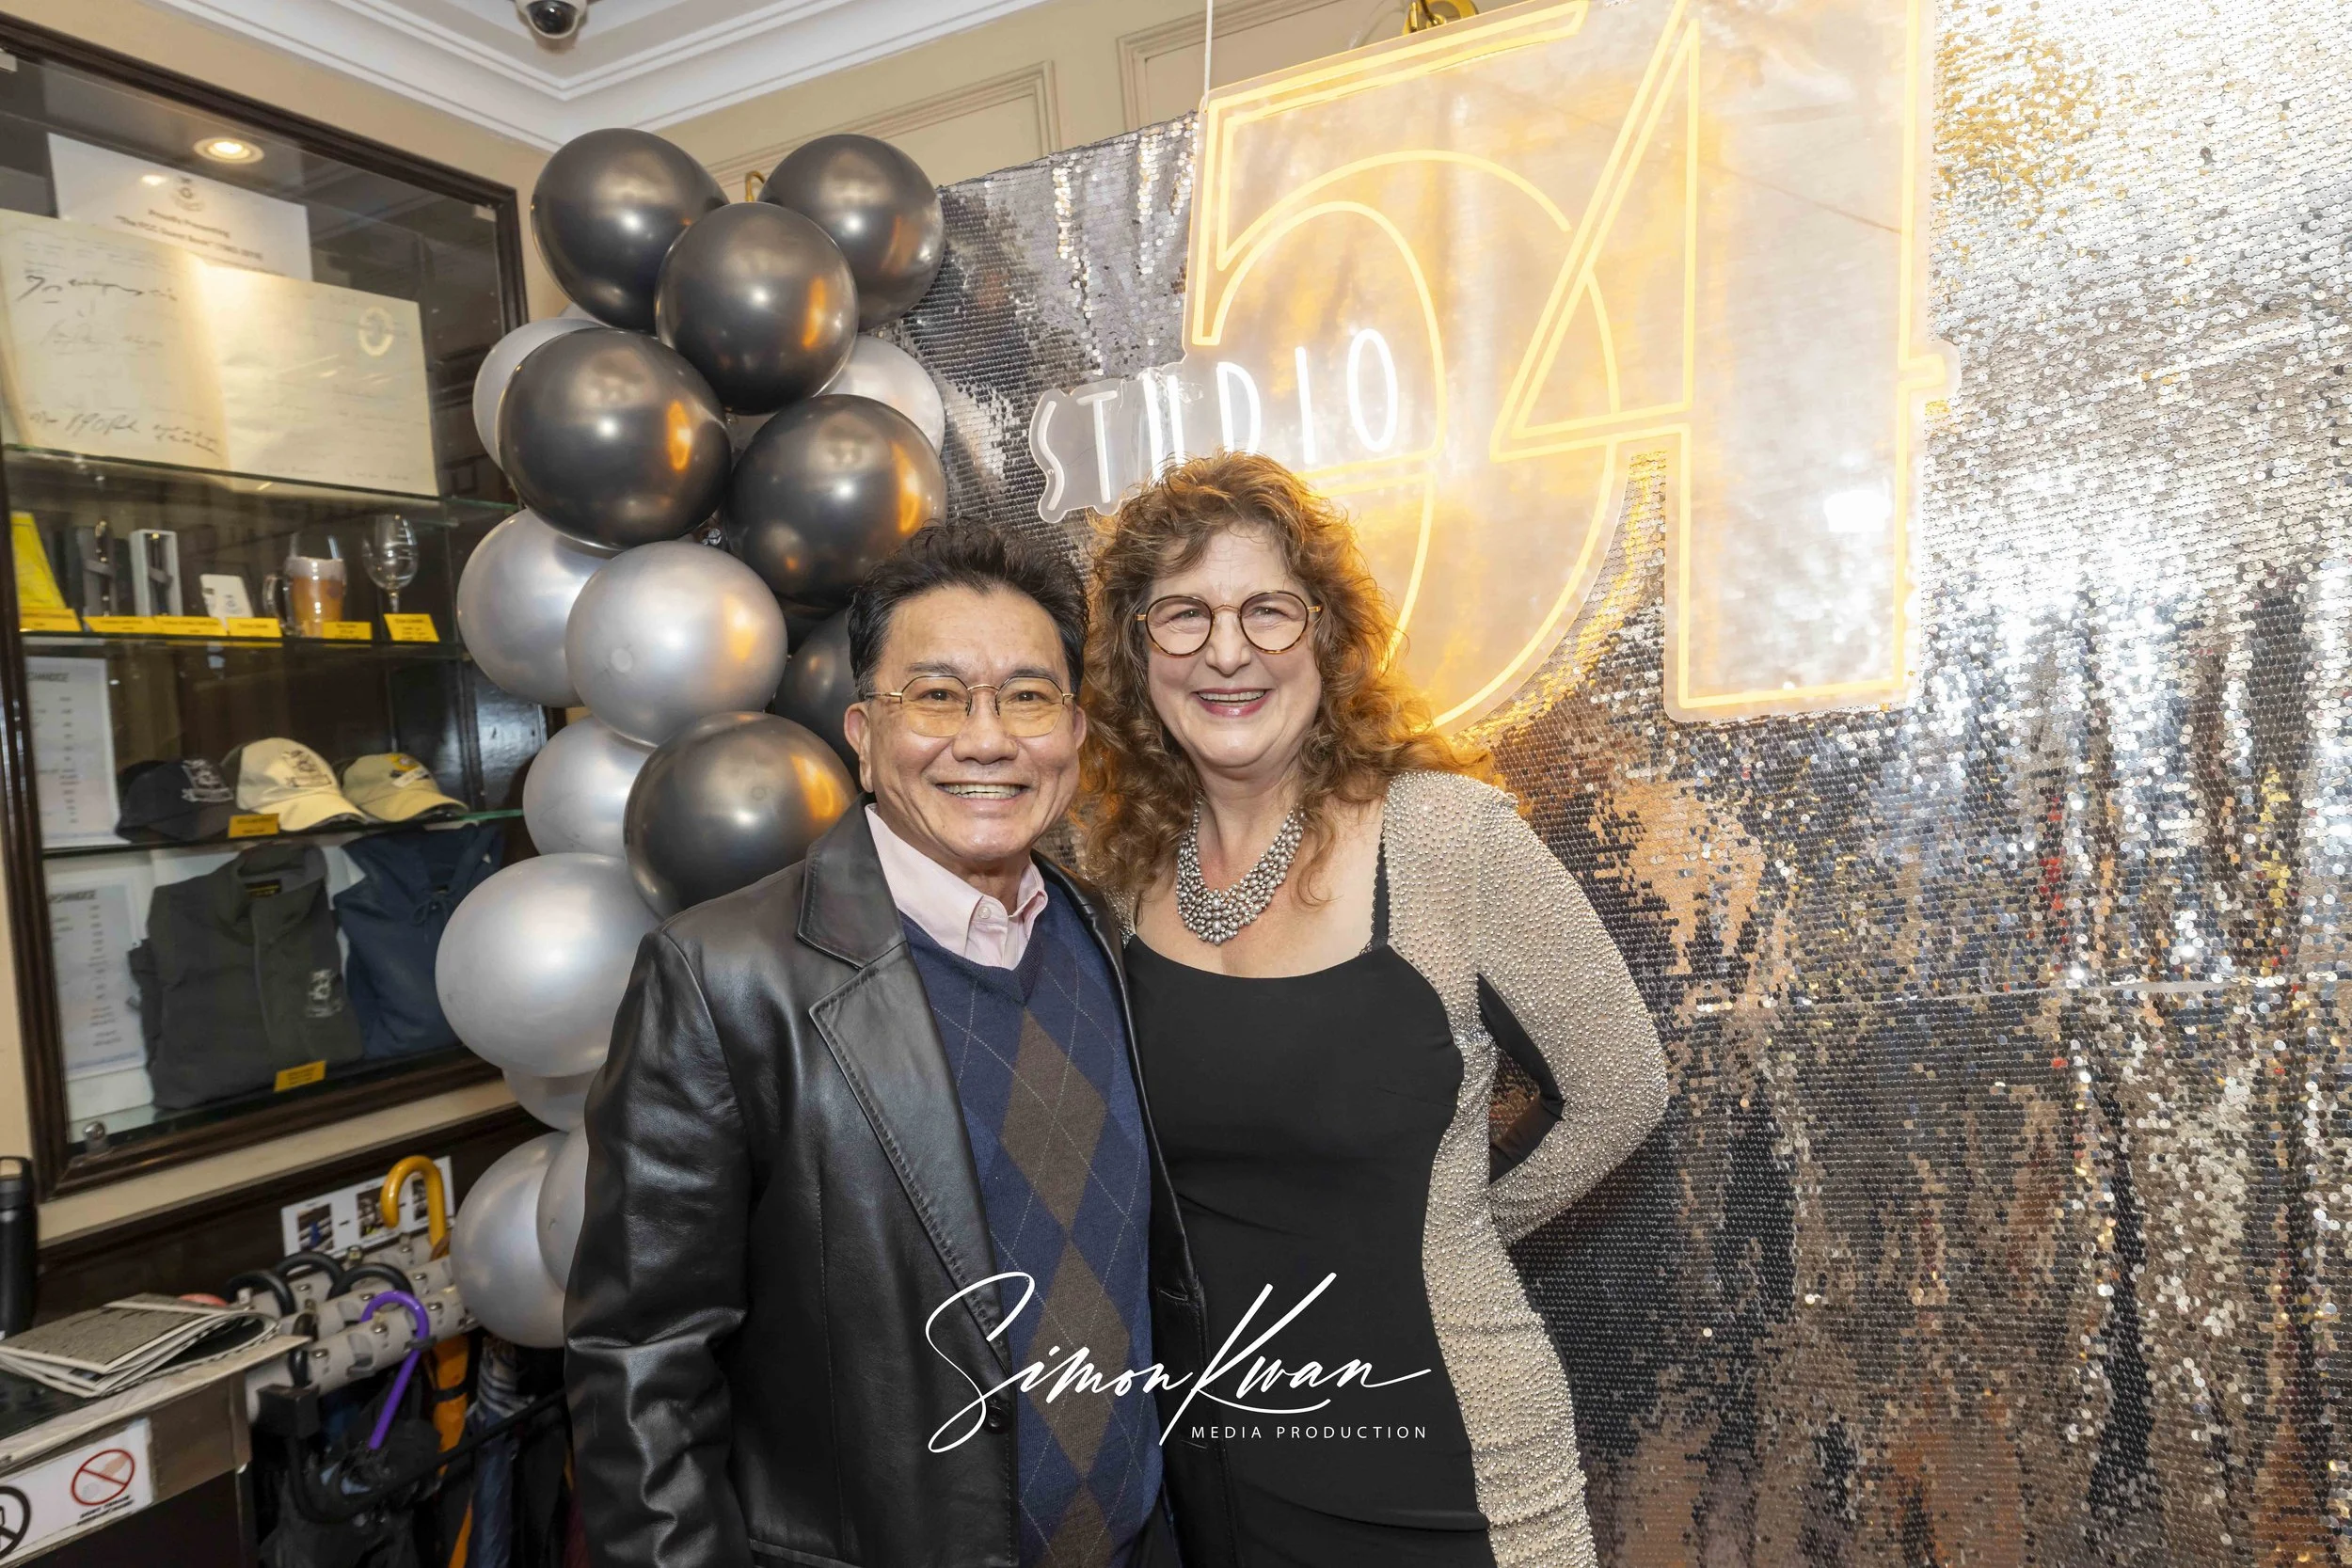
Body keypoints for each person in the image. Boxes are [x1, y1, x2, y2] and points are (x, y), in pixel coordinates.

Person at [566, 521, 1226, 1568]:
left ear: (1074, 730)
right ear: (864, 736)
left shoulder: (1104, 935)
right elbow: (641, 1364)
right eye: (936, 695)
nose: (987, 739)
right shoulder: (724, 976)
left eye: (1027, 695)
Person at [1078, 452, 1671, 1568]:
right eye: (1183, 614)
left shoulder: (1448, 838)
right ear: (1133, 652)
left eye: (1267, 609)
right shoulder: (1115, 879)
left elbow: (1621, 1086)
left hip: (1450, 1468)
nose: (1226, 650)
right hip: (1217, 1469)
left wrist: (1448, 1231)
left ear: (1327, 635)